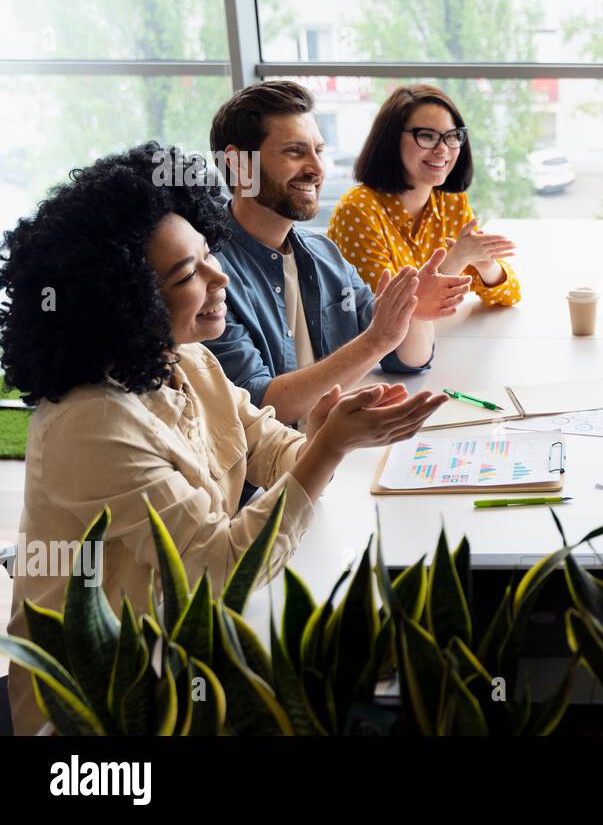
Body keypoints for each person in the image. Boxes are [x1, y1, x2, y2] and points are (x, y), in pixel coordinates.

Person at [0, 144, 445, 734]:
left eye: (208, 254)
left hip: (183, 654)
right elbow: (222, 569)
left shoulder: (188, 361)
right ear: (126, 302)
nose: (220, 276)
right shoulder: (94, 424)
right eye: (188, 273)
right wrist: (330, 446)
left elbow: (274, 449)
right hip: (104, 708)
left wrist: (327, 432)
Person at [205, 80, 471, 429]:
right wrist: (375, 340)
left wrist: (413, 309)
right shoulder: (208, 273)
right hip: (275, 476)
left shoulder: (324, 254)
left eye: (318, 151)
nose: (317, 169)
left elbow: (406, 358)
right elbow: (259, 405)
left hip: (341, 451)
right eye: (294, 152)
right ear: (239, 165)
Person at [326, 84, 521, 307]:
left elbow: (510, 295)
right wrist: (458, 258)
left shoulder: (451, 202)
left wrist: (486, 265)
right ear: (391, 140)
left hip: (438, 337)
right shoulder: (357, 211)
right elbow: (385, 313)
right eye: (427, 136)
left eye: (451, 136)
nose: (443, 150)